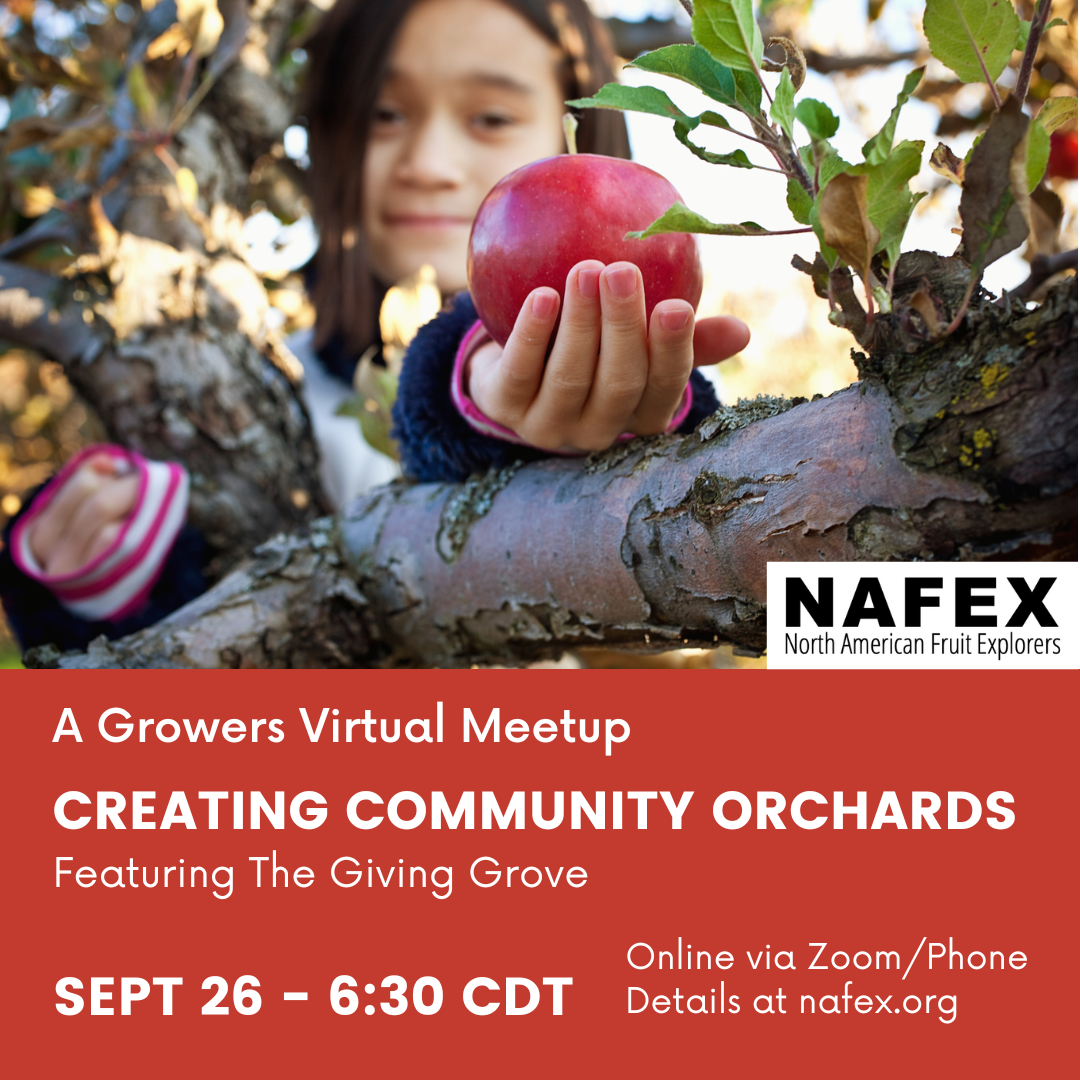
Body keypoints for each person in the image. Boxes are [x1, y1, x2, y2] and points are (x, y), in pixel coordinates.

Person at [0, 0, 750, 652]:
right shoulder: (246, 385)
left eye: (491, 116)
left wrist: (636, 431)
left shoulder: (654, 380)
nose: (426, 161)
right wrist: (102, 584)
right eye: (385, 115)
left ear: (584, 128)